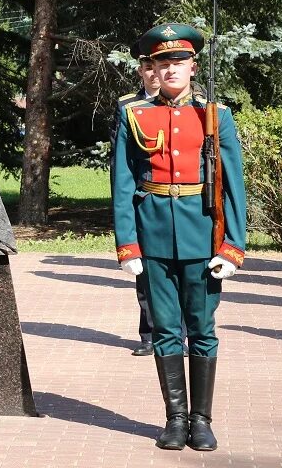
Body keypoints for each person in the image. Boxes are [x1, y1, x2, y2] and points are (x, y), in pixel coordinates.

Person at [113, 23, 246, 451]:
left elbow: (232, 186)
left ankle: (201, 420)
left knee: (202, 329)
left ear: (193, 67)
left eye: (178, 61)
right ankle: (174, 419)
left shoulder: (216, 116)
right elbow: (121, 181)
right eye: (161, 62)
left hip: (202, 235)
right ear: (152, 67)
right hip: (152, 235)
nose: (170, 69)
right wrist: (127, 244)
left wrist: (233, 246)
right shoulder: (134, 114)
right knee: (166, 329)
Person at [113, 47, 163, 357]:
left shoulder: (196, 106)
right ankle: (149, 334)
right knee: (145, 275)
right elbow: (122, 162)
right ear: (141, 71)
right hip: (144, 197)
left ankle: (178, 334)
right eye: (149, 68)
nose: (155, 74)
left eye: (159, 67)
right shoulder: (128, 107)